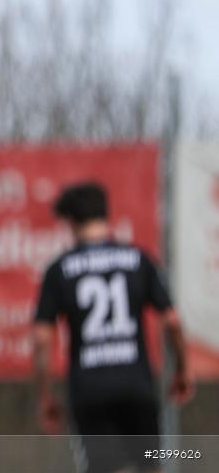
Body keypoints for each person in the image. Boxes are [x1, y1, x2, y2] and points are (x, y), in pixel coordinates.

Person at [33, 182, 195, 473]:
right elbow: (172, 322)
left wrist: (46, 394)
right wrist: (183, 369)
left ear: (71, 223)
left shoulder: (59, 269)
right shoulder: (138, 259)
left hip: (89, 389)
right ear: (106, 216)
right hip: (136, 385)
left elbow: (42, 338)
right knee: (149, 466)